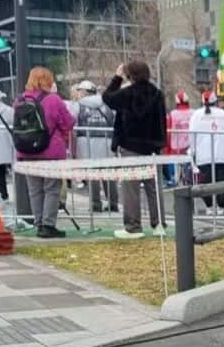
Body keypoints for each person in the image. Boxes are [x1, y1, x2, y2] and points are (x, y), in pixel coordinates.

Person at [102, 60, 167, 239]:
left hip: (131, 146)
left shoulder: (127, 94)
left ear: (129, 74)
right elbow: (162, 120)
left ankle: (133, 226)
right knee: (153, 188)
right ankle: (158, 224)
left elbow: (107, 97)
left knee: (130, 188)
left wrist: (116, 77)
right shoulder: (157, 94)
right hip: (153, 147)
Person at [15, 67, 76, 238]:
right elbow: (69, 122)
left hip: (26, 151)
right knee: (51, 188)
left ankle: (39, 222)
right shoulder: (54, 99)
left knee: (34, 190)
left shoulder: (20, 100)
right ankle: (49, 225)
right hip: (51, 151)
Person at [74, 80, 117, 213]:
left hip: (88, 143)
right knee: (108, 174)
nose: (78, 94)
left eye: (80, 91)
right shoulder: (107, 104)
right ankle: (113, 203)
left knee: (92, 175)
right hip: (107, 142)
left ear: (85, 92)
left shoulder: (79, 106)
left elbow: (74, 123)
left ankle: (95, 204)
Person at [189, 91, 224, 216]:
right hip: (222, 155)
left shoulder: (196, 115)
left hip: (204, 155)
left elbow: (192, 135)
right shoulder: (223, 114)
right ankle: (221, 206)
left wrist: (192, 152)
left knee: (205, 182)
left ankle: (208, 206)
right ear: (215, 101)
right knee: (221, 182)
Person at [166, 91, 194, 186]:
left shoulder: (172, 114)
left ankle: (176, 181)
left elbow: (168, 133)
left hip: (176, 148)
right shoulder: (193, 113)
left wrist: (168, 150)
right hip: (191, 147)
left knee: (176, 175)